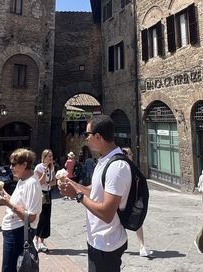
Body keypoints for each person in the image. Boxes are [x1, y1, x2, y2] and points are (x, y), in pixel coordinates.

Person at [59, 115, 131, 272]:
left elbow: (107, 213)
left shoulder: (116, 167)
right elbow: (94, 191)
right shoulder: (104, 160)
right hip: (97, 240)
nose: (86, 139)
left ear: (98, 136)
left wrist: (78, 196)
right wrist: (74, 185)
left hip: (107, 244)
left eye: (87, 134)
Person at [0, 148, 42, 272]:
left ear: (25, 164)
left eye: (14, 164)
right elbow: (15, 202)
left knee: (9, 269)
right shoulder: (22, 180)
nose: (11, 167)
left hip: (18, 232)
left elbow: (31, 217)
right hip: (12, 230)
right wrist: (0, 190)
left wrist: (9, 205)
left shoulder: (31, 183)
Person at [121, 147, 152, 257]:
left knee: (138, 222)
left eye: (130, 153)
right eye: (127, 153)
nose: (130, 155)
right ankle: (120, 245)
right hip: (121, 200)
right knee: (118, 224)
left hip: (132, 199)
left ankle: (142, 246)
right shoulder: (120, 166)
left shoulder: (133, 167)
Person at [33, 149, 56, 253]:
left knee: (46, 217)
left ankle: (42, 241)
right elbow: (39, 181)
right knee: (40, 216)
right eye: (49, 156)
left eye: (51, 156)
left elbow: (54, 182)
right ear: (44, 157)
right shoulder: (39, 167)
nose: (51, 158)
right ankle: (35, 240)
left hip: (48, 193)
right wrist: (45, 170)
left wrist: (48, 183)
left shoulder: (52, 167)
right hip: (40, 193)